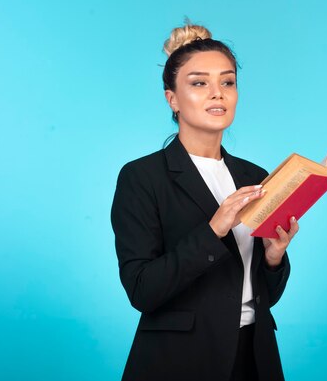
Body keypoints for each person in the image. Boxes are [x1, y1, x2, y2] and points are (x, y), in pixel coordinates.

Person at [110, 23, 299, 381]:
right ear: (173, 99)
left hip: (255, 356)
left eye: (227, 82)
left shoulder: (255, 175)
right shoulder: (142, 177)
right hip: (181, 361)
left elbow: (263, 295)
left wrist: (274, 259)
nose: (218, 94)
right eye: (199, 83)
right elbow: (142, 290)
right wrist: (215, 228)